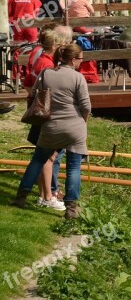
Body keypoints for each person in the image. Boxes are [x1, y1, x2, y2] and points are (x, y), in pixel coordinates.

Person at [11, 44, 91, 219]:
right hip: (75, 127)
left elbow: (32, 96)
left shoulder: (46, 73)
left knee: (38, 160)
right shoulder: (78, 77)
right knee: (74, 167)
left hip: (51, 126)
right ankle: (71, 208)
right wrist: (83, 120)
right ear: (73, 60)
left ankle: (21, 197)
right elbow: (85, 106)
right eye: (80, 59)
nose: (81, 62)